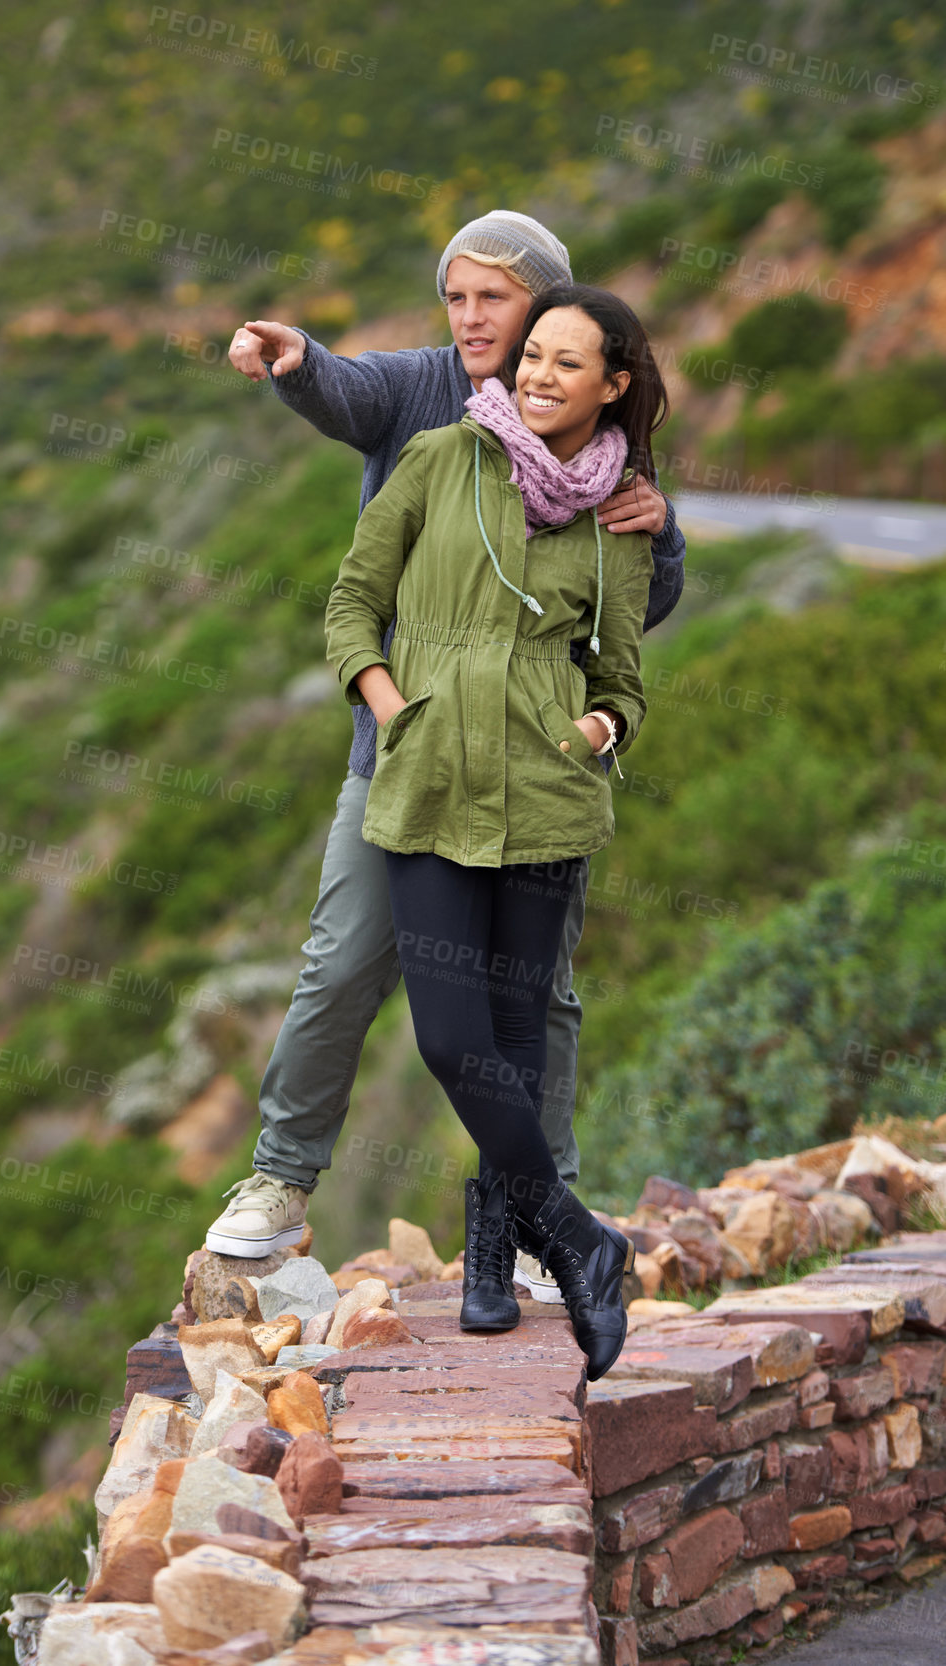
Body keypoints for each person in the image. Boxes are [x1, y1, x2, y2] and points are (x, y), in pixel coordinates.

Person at [204, 213, 685, 1304]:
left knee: (536, 999)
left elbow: (637, 606)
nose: (472, 321)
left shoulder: (592, 424)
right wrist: (295, 362)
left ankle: (528, 1218)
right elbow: (348, 392)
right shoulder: (426, 394)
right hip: (406, 761)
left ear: (555, 316)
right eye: (455, 297)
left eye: (495, 301)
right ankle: (280, 1180)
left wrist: (649, 538)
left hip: (531, 781)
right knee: (343, 962)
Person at [323, 283, 665, 1374]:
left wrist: (597, 726)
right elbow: (348, 601)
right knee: (448, 1039)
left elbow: (623, 676)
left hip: (545, 797)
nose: (536, 374)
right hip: (424, 786)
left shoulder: (618, 515)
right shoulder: (439, 460)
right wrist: (389, 704)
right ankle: (579, 1238)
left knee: (516, 1039)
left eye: (567, 363)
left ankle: (488, 1261)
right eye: (532, 356)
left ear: (612, 385)